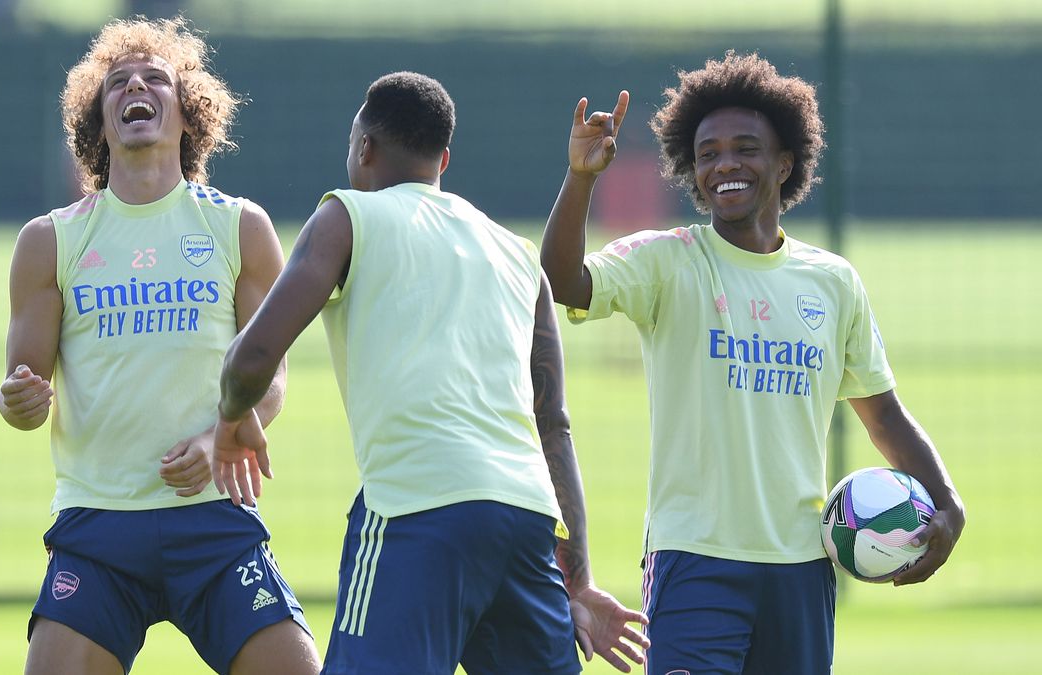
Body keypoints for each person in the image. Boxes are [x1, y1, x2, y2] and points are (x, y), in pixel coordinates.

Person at [540, 52, 965, 674]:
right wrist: (581, 178)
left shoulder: (833, 282)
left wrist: (949, 507)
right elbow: (562, 280)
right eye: (708, 154)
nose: (725, 165)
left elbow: (883, 416)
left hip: (801, 566)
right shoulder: (668, 262)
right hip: (695, 562)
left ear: (785, 162)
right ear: (692, 169)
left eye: (745, 148)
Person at [210, 71, 648, 674]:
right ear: (443, 157)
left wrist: (232, 416)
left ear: (364, 148)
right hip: (524, 524)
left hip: (415, 511)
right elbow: (554, 423)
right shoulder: (519, 255)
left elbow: (254, 357)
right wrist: (577, 580)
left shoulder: (348, 215)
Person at [0, 16, 319, 675]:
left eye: (154, 79)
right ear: (100, 119)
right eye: (117, 83)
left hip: (211, 517)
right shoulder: (50, 240)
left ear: (186, 113)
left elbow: (274, 371)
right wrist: (20, 401)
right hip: (98, 524)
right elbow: (20, 394)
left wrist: (224, 432)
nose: (134, 89)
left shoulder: (239, 226)